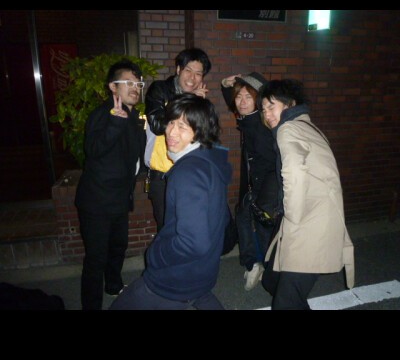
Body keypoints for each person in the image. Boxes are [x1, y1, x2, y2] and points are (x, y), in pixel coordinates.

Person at [110, 94, 232, 310]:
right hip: (201, 272)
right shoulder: (210, 160)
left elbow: (193, 242)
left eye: (183, 126)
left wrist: (156, 254)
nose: (172, 132)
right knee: (199, 295)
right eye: (171, 123)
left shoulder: (188, 173)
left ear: (200, 131)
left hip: (173, 279)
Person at [259, 79, 355, 310]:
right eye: (263, 109)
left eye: (271, 106)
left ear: (290, 104)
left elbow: (294, 173)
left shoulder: (288, 129)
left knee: (286, 302)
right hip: (316, 216)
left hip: (308, 224)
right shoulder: (310, 128)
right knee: (271, 280)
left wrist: (293, 218)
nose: (267, 114)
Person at [75, 59, 145, 310]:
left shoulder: (134, 117)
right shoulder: (103, 114)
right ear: (113, 87)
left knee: (118, 248)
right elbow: (92, 150)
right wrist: (115, 123)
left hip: (119, 200)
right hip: (97, 202)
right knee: (96, 259)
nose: (135, 88)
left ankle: (113, 285)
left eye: (138, 83)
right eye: (128, 82)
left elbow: (134, 157)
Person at [221, 72, 278, 291]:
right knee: (244, 217)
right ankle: (255, 263)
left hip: (265, 187)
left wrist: (263, 197)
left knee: (261, 226)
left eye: (248, 97)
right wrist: (226, 86)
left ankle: (265, 268)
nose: (242, 102)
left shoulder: (260, 125)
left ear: (259, 100)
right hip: (255, 184)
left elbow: (273, 163)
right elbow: (234, 102)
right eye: (239, 96)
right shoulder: (250, 119)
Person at [144, 48, 211, 232]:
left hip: (190, 173)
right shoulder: (159, 89)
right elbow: (158, 125)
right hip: (163, 175)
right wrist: (187, 101)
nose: (192, 78)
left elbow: (205, 136)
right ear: (178, 69)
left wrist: (199, 107)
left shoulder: (198, 100)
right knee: (167, 228)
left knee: (187, 226)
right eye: (188, 70)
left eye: (198, 73)